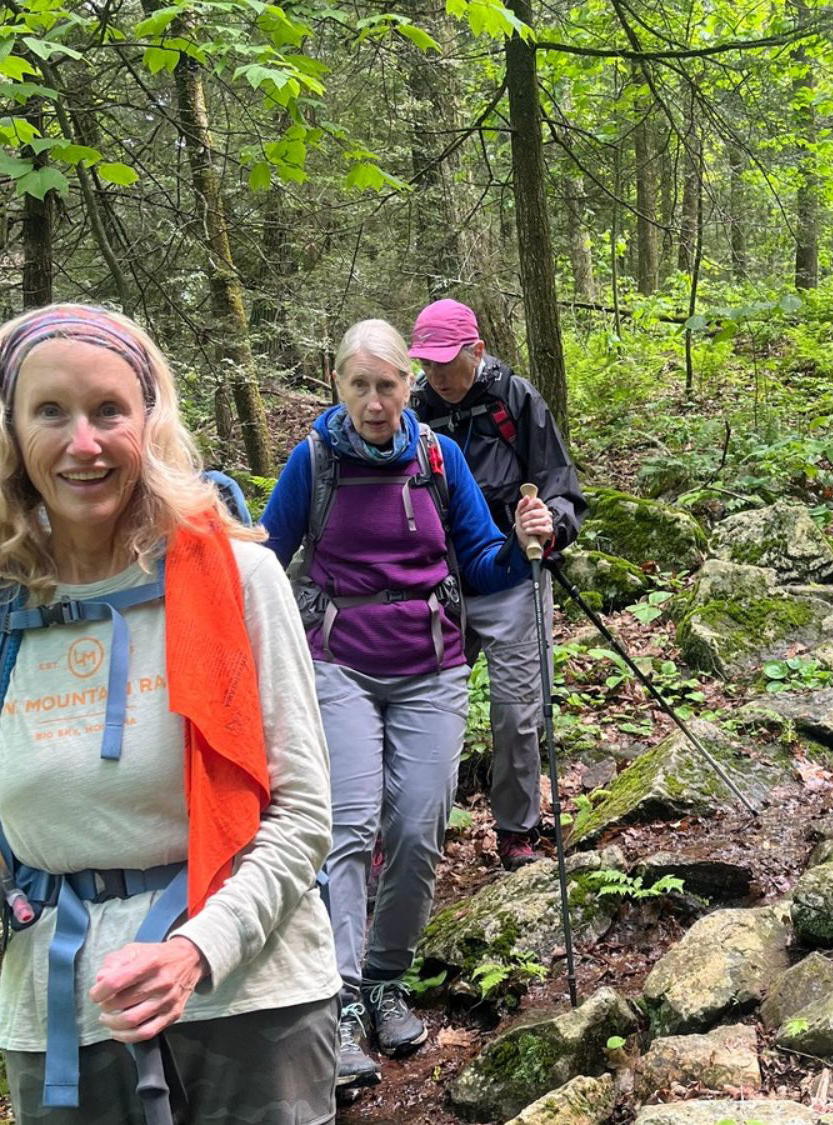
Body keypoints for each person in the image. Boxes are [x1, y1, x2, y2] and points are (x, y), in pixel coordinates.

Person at [0, 303, 342, 1123]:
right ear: (8, 431)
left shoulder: (238, 580)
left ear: (149, 420)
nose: (84, 443)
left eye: (109, 410)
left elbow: (304, 811)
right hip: (62, 1016)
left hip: (250, 1000)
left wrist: (194, 951)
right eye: (51, 412)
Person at [259, 318, 552, 1091]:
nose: (376, 400)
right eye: (361, 384)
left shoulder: (438, 458)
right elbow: (266, 558)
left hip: (431, 662)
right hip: (340, 662)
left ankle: (388, 975)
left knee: (419, 826)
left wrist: (526, 538)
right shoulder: (313, 460)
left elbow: (483, 563)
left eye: (389, 384)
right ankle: (343, 999)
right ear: (339, 386)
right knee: (351, 823)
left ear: (407, 386)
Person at [408, 298, 586, 871]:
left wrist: (549, 524)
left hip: (513, 578)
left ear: (476, 351)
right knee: (425, 711)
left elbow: (561, 485)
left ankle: (517, 831)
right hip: (442, 586)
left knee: (516, 713)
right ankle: (412, 835)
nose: (436, 375)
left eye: (446, 361)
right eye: (427, 364)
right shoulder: (410, 412)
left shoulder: (516, 401)